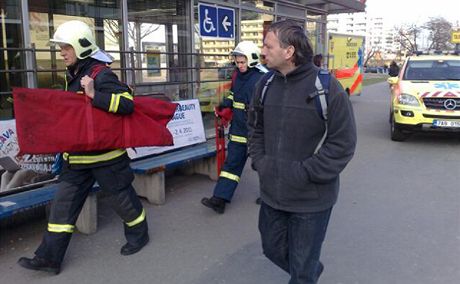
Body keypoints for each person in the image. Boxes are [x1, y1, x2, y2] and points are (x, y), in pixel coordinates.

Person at [18, 20, 149, 274]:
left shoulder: (101, 74)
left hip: (107, 159)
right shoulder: (75, 73)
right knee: (62, 207)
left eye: (66, 47)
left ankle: (139, 235)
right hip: (77, 160)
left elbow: (127, 104)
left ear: (80, 46)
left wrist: (94, 95)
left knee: (123, 202)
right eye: (62, 48)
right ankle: (49, 258)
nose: (62, 52)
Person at [248, 20, 356, 283]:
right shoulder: (264, 85)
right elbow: (254, 129)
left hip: (312, 198)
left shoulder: (328, 88)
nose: (263, 51)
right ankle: (308, 270)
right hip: (272, 193)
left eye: (268, 45)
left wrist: (304, 173)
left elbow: (342, 144)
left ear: (289, 51)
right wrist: (261, 162)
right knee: (272, 249)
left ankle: (305, 272)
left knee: (301, 270)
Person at [201, 41, 266, 214]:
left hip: (257, 129)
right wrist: (225, 103)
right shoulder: (237, 75)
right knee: (231, 165)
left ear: (252, 59)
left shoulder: (263, 77)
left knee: (263, 165)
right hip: (238, 129)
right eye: (237, 61)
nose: (239, 64)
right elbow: (233, 93)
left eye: (242, 61)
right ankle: (219, 200)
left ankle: (269, 197)